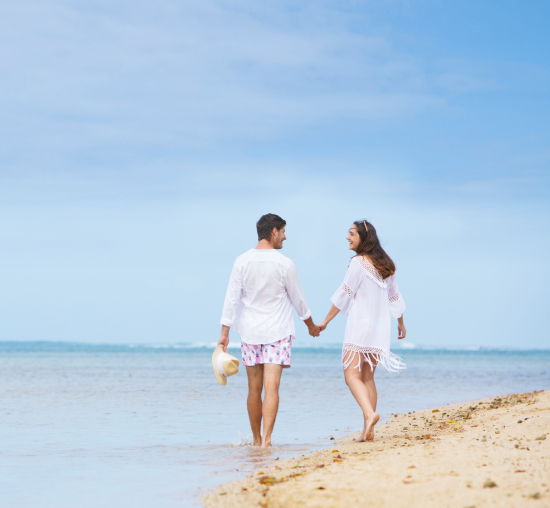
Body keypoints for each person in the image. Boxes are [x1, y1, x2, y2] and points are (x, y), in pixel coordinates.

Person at [218, 214, 320, 448]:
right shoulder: (285, 263)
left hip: (250, 333)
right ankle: (266, 441)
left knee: (254, 389)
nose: (285, 237)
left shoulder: (241, 261)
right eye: (283, 232)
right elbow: (299, 300)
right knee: (271, 388)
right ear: (274, 231)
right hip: (277, 333)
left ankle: (256, 441)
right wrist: (311, 326)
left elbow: (231, 299)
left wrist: (224, 332)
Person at [317, 220, 406, 442]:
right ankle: (369, 430)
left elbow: (345, 292)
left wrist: (325, 321)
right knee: (368, 378)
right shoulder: (386, 265)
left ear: (363, 237)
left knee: (351, 376)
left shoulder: (358, 263)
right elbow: (394, 297)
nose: (347, 238)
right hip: (380, 328)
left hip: (360, 326)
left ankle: (369, 414)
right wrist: (400, 323)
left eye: (351, 234)